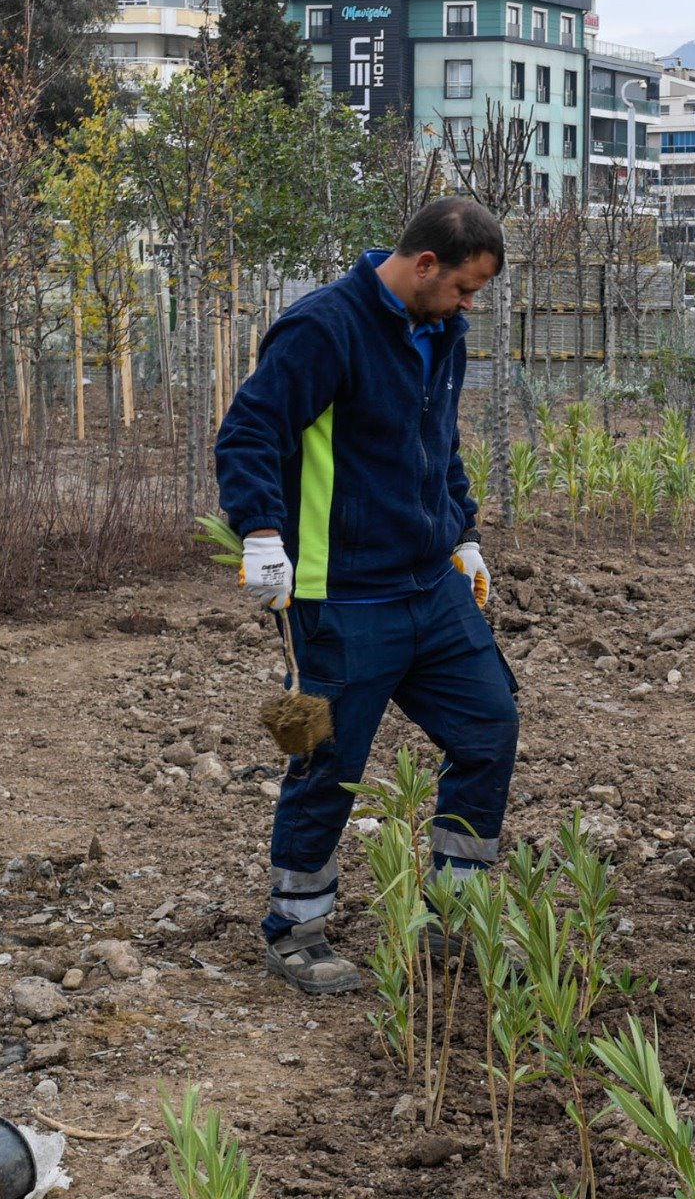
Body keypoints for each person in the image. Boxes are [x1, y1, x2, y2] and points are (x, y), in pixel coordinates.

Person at [213, 197, 519, 996]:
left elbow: (438, 439)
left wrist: (463, 531)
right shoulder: (325, 329)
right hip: (340, 596)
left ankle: (455, 919)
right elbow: (249, 431)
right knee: (324, 760)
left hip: (429, 583)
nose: (468, 306)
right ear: (425, 266)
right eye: (464, 288)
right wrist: (260, 532)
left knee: (489, 725)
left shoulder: (439, 329)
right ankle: (297, 929)